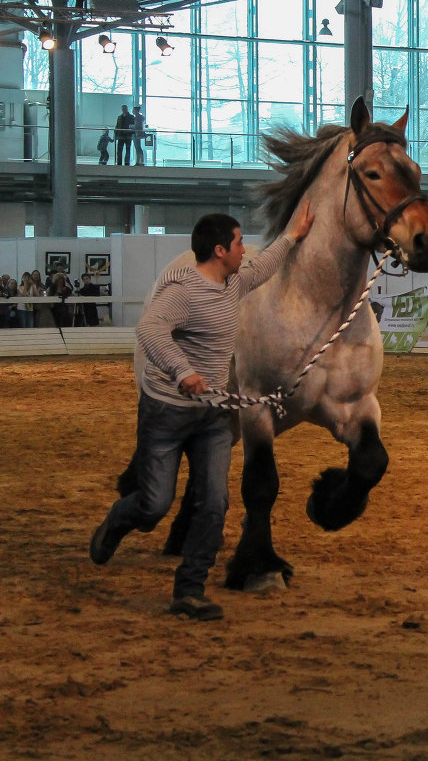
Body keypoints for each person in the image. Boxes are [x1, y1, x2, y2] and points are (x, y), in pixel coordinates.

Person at [89, 202, 314, 621]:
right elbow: (149, 330)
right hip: (167, 411)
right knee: (155, 504)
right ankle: (117, 521)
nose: (245, 250)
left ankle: (189, 590)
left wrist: (294, 234)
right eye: (239, 243)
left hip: (212, 415)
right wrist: (183, 371)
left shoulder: (234, 284)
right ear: (219, 251)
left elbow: (264, 266)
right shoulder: (183, 291)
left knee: (214, 503)